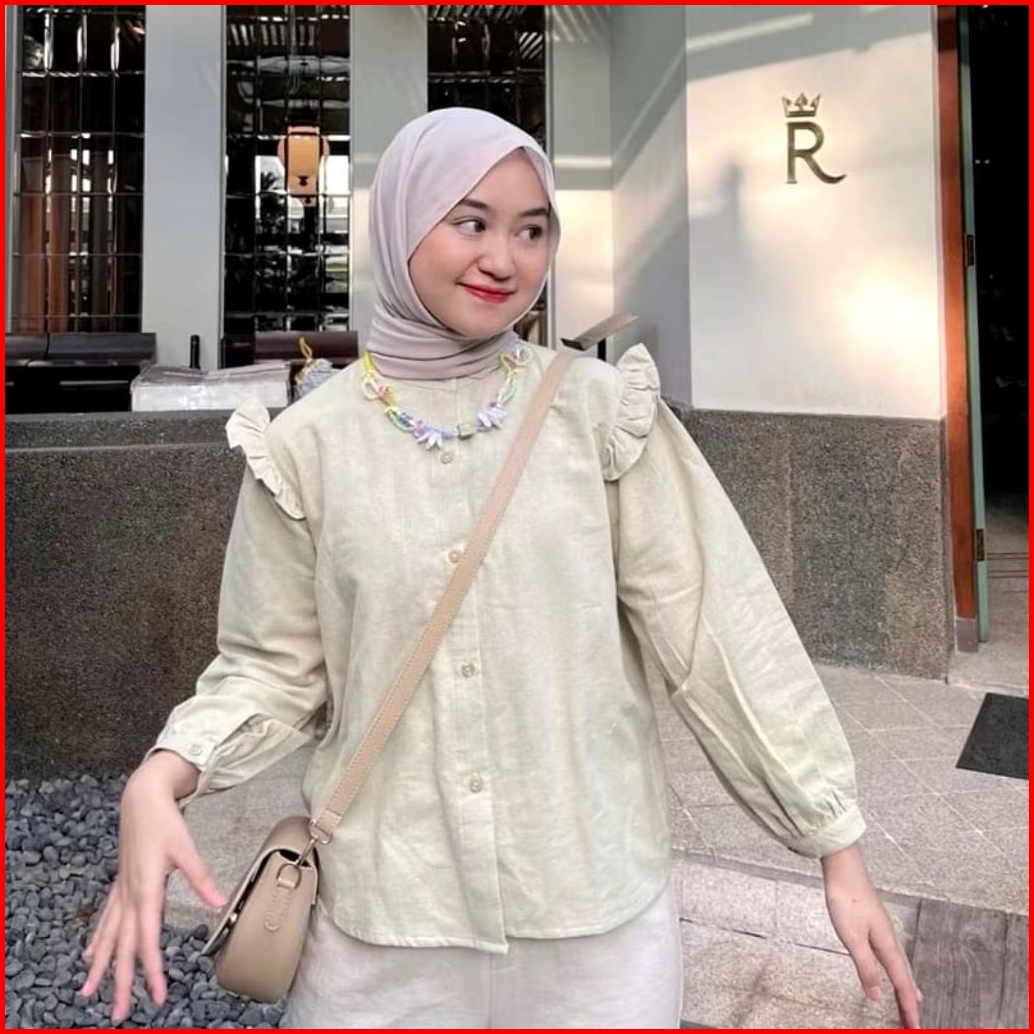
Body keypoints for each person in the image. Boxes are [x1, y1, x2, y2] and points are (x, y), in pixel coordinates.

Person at [80, 108, 923, 1029]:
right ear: (402, 222)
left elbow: (717, 630)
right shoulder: (307, 447)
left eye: (532, 230)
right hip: (384, 930)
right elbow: (273, 666)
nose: (504, 259)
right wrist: (165, 772)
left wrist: (833, 840)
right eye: (471, 221)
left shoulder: (600, 416)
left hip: (593, 926)